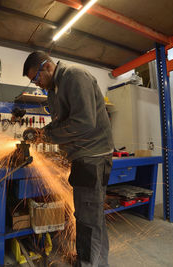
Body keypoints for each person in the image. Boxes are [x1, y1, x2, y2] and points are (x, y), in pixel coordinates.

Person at [23, 51, 114, 267]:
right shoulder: (54, 90)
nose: (38, 84)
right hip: (82, 158)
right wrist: (41, 133)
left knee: (88, 220)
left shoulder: (74, 76)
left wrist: (46, 136)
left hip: (93, 158)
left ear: (47, 67)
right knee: (89, 217)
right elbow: (61, 123)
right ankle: (94, 261)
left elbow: (84, 123)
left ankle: (91, 263)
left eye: (37, 78)